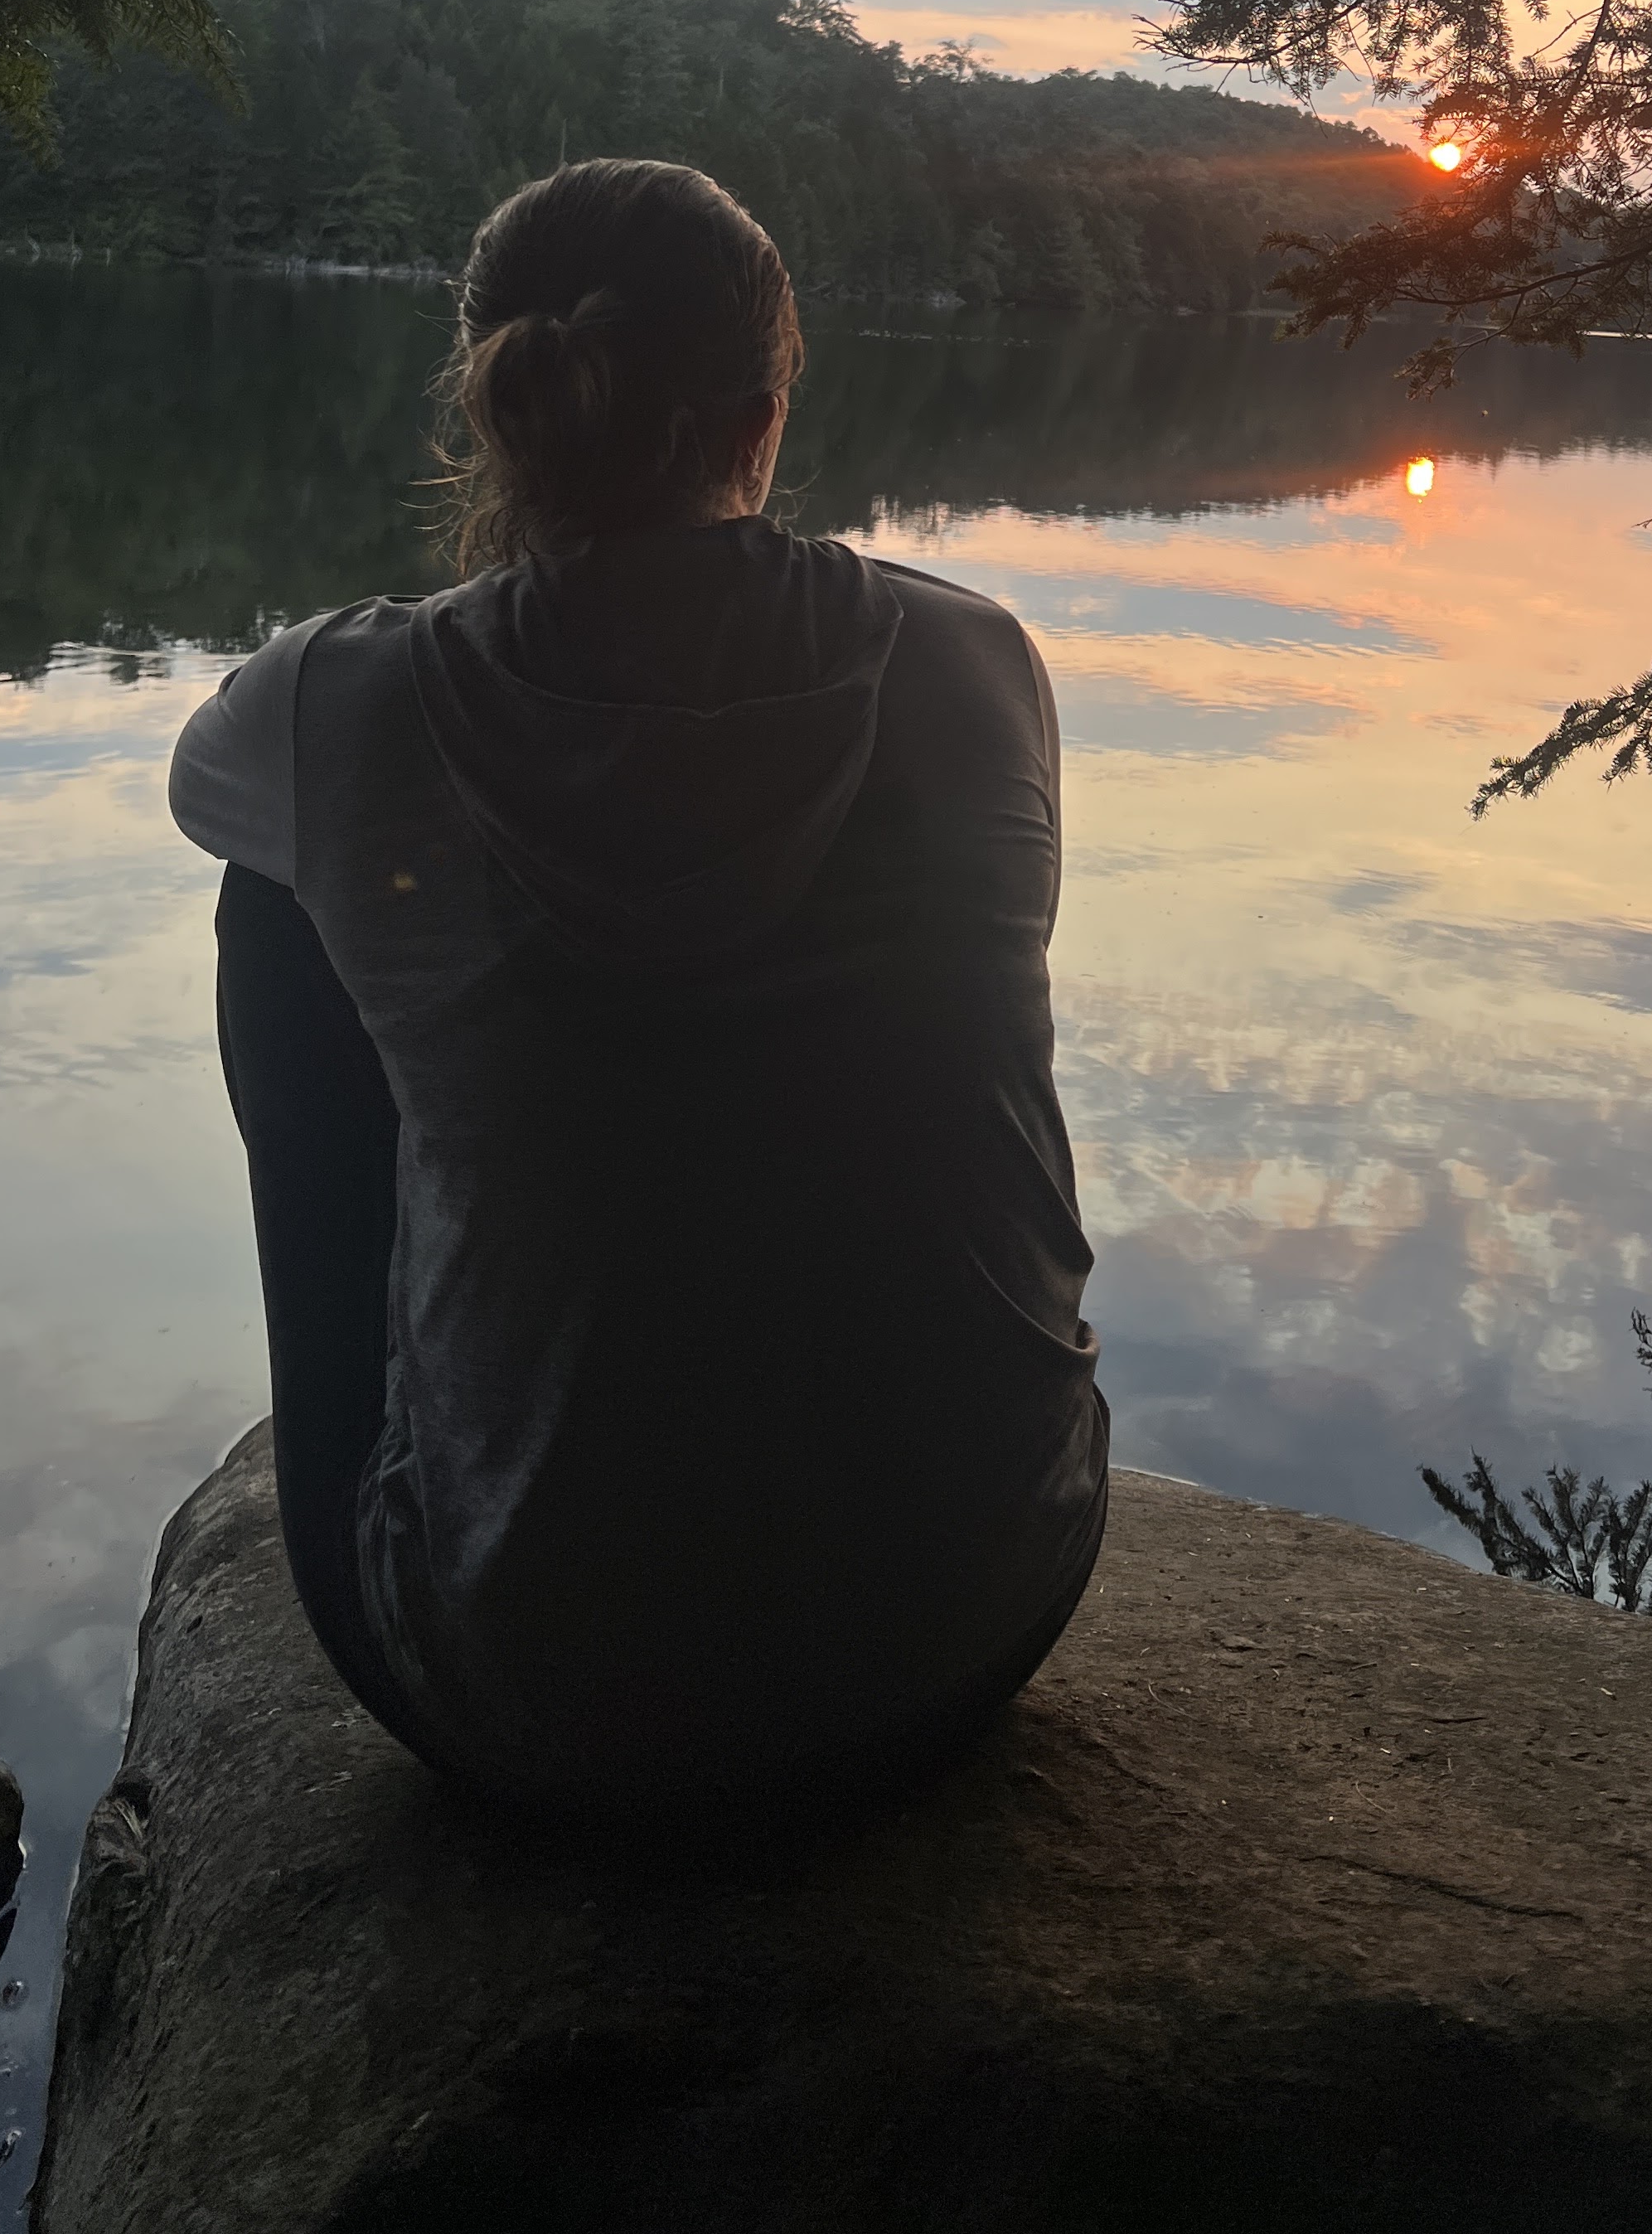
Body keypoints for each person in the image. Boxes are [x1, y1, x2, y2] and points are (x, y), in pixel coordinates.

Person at [168, 158, 1107, 1823]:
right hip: (962, 1631)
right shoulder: (974, 666)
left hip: (522, 1691)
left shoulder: (338, 700)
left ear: (495, 394)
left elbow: (207, 787)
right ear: (763, 411)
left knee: (280, 886)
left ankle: (425, 1439)